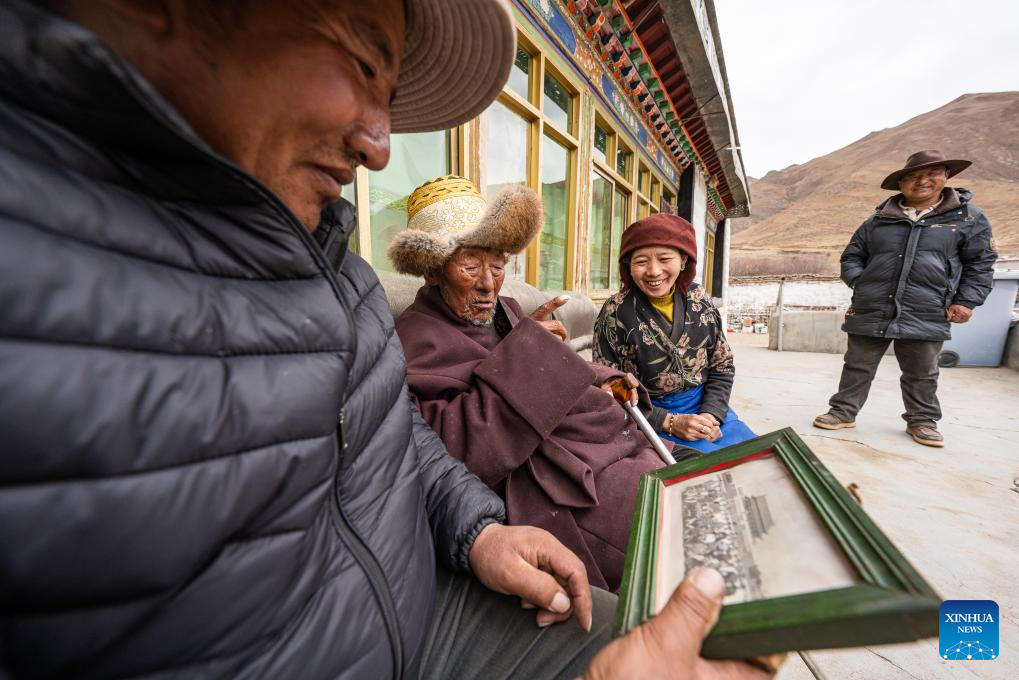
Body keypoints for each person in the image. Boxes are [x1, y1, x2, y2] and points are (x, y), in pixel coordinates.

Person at [0, 1, 774, 678]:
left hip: (431, 589)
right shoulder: (416, 332)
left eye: (498, 261)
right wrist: (539, 360)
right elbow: (462, 437)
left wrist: (475, 531)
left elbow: (393, 437)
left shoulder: (343, 279)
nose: (378, 142)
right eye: (362, 63)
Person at [390, 176, 695, 592]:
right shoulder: (415, 338)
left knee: (701, 482)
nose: (488, 283)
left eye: (497, 265)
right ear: (432, 271)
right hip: (556, 478)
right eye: (470, 265)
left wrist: (604, 377)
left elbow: (555, 360)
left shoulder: (506, 308)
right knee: (668, 538)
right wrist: (529, 351)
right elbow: (457, 449)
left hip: (603, 437)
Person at [813, 150, 997, 447]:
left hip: (928, 307)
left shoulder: (968, 218)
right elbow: (852, 256)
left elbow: (980, 264)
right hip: (872, 305)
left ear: (946, 176)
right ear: (901, 183)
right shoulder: (879, 219)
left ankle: (922, 421)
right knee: (857, 365)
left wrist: (966, 301)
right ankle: (842, 412)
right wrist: (862, 283)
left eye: (931, 174)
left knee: (922, 371)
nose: (922, 181)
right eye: (912, 176)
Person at [593, 214, 757, 453]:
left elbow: (722, 366)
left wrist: (711, 415)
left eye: (664, 259)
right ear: (628, 265)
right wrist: (668, 422)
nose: (653, 271)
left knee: (754, 453)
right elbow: (609, 386)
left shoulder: (700, 301)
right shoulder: (614, 312)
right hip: (648, 416)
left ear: (683, 260)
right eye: (641, 261)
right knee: (700, 466)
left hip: (706, 406)